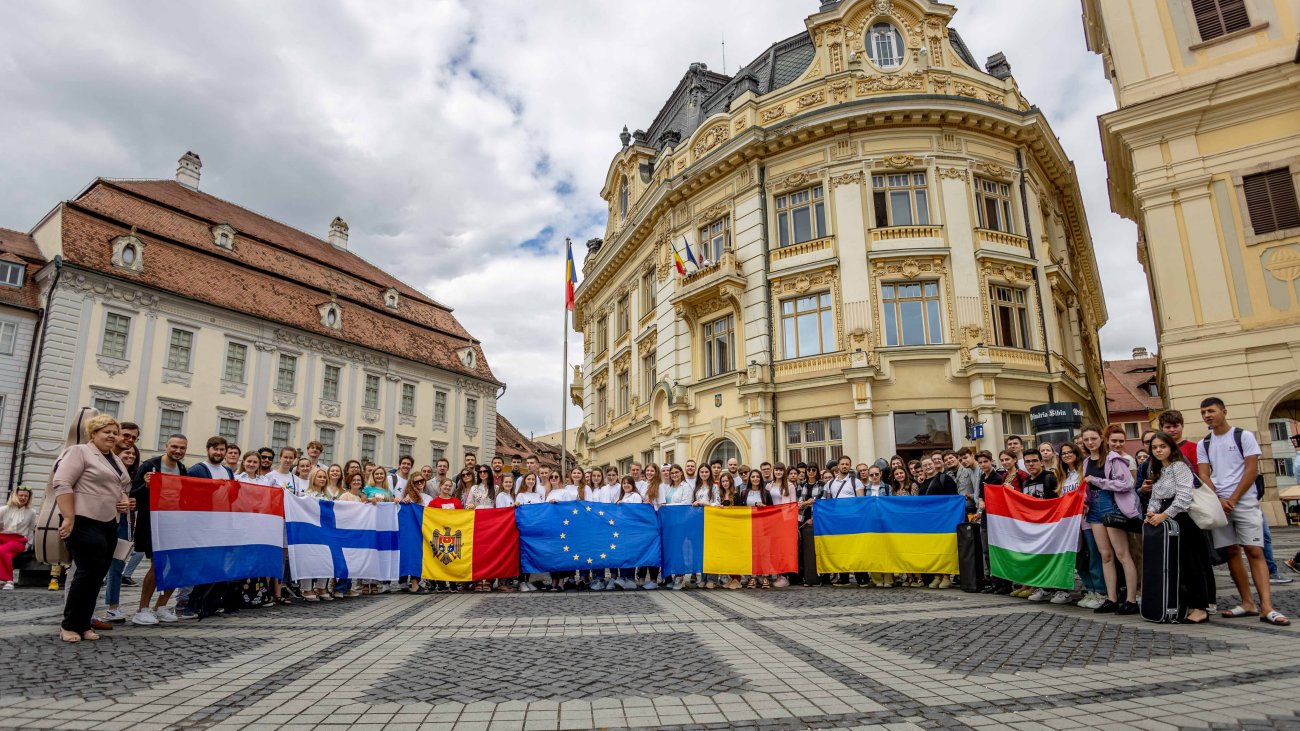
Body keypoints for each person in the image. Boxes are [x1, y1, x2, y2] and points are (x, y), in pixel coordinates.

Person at [1197, 398, 1288, 625]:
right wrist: (1219, 499)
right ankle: (1247, 602)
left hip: (1244, 501)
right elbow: (1204, 474)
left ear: (1224, 412)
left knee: (1254, 550)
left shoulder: (1243, 436)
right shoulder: (1204, 443)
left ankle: (1267, 606)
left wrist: (1234, 498)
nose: (1207, 415)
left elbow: (1251, 469)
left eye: (1211, 411)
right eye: (1204, 412)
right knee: (1231, 552)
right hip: (1220, 504)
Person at [52, 415, 132, 642]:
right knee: (86, 573)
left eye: (115, 433)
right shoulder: (80, 451)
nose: (112, 436)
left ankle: (84, 623)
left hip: (108, 522)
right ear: (93, 433)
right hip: (83, 519)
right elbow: (62, 483)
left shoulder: (114, 459)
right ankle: (69, 625)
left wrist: (124, 500)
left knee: (97, 576)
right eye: (106, 432)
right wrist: (68, 517)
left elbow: (121, 486)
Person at [1146, 432, 1211, 624]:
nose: (1158, 450)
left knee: (1191, 564)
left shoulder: (1179, 466)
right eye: (1154, 447)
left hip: (1183, 519)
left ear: (1171, 448)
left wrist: (1164, 515)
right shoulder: (1159, 470)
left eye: (1162, 446)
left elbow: (1184, 496)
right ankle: (1181, 604)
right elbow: (1155, 497)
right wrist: (1150, 513)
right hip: (1165, 521)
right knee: (1175, 565)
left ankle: (1200, 608)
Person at [1081, 424, 1140, 615]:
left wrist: (1098, 481)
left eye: (1093, 438)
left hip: (1111, 505)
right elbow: (1087, 486)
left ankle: (1131, 600)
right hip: (1094, 508)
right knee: (1105, 555)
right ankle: (1111, 599)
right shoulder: (1086, 461)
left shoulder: (1113, 458)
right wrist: (1085, 500)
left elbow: (1127, 483)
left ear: (1101, 438)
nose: (1090, 442)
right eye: (1086, 439)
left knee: (1122, 554)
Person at [132, 434, 188, 625]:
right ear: (166, 446)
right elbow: (133, 494)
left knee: (178, 565)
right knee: (157, 566)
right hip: (153, 523)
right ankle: (142, 609)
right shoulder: (150, 465)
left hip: (175, 523)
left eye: (182, 448)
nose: (178, 451)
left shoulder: (182, 469)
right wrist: (147, 486)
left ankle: (161, 606)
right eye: (174, 447)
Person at [1060, 443, 1103, 609]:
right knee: (1078, 558)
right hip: (1070, 524)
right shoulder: (1062, 475)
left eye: (1070, 452)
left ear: (1077, 453)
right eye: (1063, 453)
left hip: (1087, 520)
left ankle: (1100, 591)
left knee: (1093, 555)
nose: (1067, 455)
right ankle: (1089, 590)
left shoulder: (1083, 471)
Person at [0, 486, 37, 590]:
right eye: (21, 495)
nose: (23, 498)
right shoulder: (3, 509)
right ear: (15, 496)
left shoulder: (32, 512)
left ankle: (9, 580)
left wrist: (28, 544)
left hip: (19, 540)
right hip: (2, 537)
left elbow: (30, 530)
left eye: (26, 496)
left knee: (2, 550)